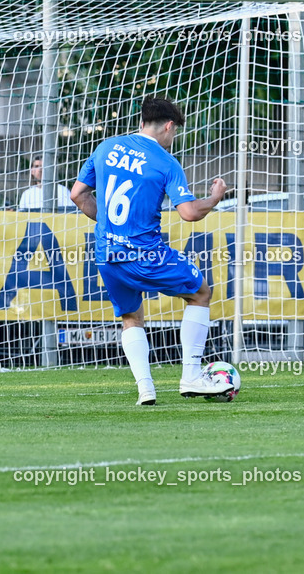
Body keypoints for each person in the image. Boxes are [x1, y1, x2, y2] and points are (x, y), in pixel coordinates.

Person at [70, 96, 231, 405]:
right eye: (174, 132)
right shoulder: (165, 162)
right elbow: (189, 213)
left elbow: (78, 194)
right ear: (168, 126)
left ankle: (145, 388)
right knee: (200, 293)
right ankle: (191, 376)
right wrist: (214, 197)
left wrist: (109, 224)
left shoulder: (106, 147)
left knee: (131, 316)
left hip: (106, 253)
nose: (172, 139)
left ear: (142, 121)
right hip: (146, 254)